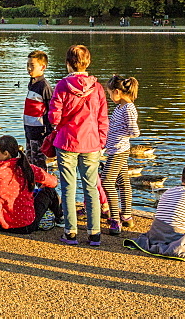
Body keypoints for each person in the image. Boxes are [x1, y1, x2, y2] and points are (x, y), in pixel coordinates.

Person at [48, 44, 109, 246]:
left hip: (67, 141)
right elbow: (102, 118)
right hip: (91, 142)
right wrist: (101, 141)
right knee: (91, 186)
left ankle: (71, 232)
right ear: (88, 62)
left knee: (68, 187)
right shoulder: (98, 88)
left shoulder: (62, 86)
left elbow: (54, 116)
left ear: (68, 64)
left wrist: (57, 122)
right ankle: (94, 234)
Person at [0, 135, 61, 234]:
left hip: (0, 224)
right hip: (25, 226)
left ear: (5, 153)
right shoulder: (28, 168)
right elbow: (53, 183)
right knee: (49, 191)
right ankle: (60, 217)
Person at [101, 75, 140, 235]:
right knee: (123, 181)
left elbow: (134, 131)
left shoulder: (129, 108)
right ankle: (127, 216)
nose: (109, 96)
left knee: (106, 181)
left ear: (117, 92)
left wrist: (123, 135)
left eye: (110, 93)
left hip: (119, 151)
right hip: (115, 149)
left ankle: (115, 219)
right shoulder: (120, 108)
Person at [22, 50, 53, 169]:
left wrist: (48, 133)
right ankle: (34, 186)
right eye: (28, 65)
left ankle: (44, 187)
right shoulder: (32, 84)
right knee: (30, 161)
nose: (29, 68)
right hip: (29, 130)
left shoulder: (44, 86)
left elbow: (50, 110)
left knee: (39, 164)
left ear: (43, 67)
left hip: (39, 132)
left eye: (32, 65)